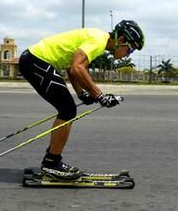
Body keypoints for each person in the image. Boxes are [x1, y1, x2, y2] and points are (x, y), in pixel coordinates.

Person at [19, 20, 144, 180]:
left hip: (34, 60)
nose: (128, 55)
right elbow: (78, 68)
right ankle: (51, 164)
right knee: (67, 110)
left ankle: (52, 162)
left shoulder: (97, 38)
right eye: (130, 50)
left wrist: (82, 94)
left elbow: (73, 69)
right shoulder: (98, 40)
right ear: (121, 40)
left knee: (67, 109)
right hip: (37, 61)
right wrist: (100, 96)